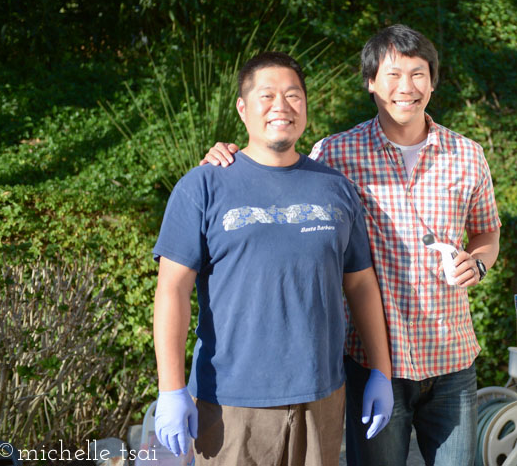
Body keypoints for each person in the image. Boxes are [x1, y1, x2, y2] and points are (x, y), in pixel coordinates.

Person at [202, 25, 501, 466]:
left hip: (452, 357)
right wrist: (226, 158)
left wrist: (476, 264)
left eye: (418, 74)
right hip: (370, 362)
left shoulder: (467, 154)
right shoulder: (335, 154)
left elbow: (487, 233)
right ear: (370, 83)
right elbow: (276, 171)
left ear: (433, 81)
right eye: (393, 74)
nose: (406, 87)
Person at [153, 51, 393, 466]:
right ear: (243, 109)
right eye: (267, 96)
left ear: (305, 106)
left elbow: (360, 284)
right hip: (231, 404)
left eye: (293, 96)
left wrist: (382, 371)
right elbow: (172, 288)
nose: (281, 106)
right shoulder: (204, 185)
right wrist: (171, 388)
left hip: (321, 397)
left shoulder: (337, 189)